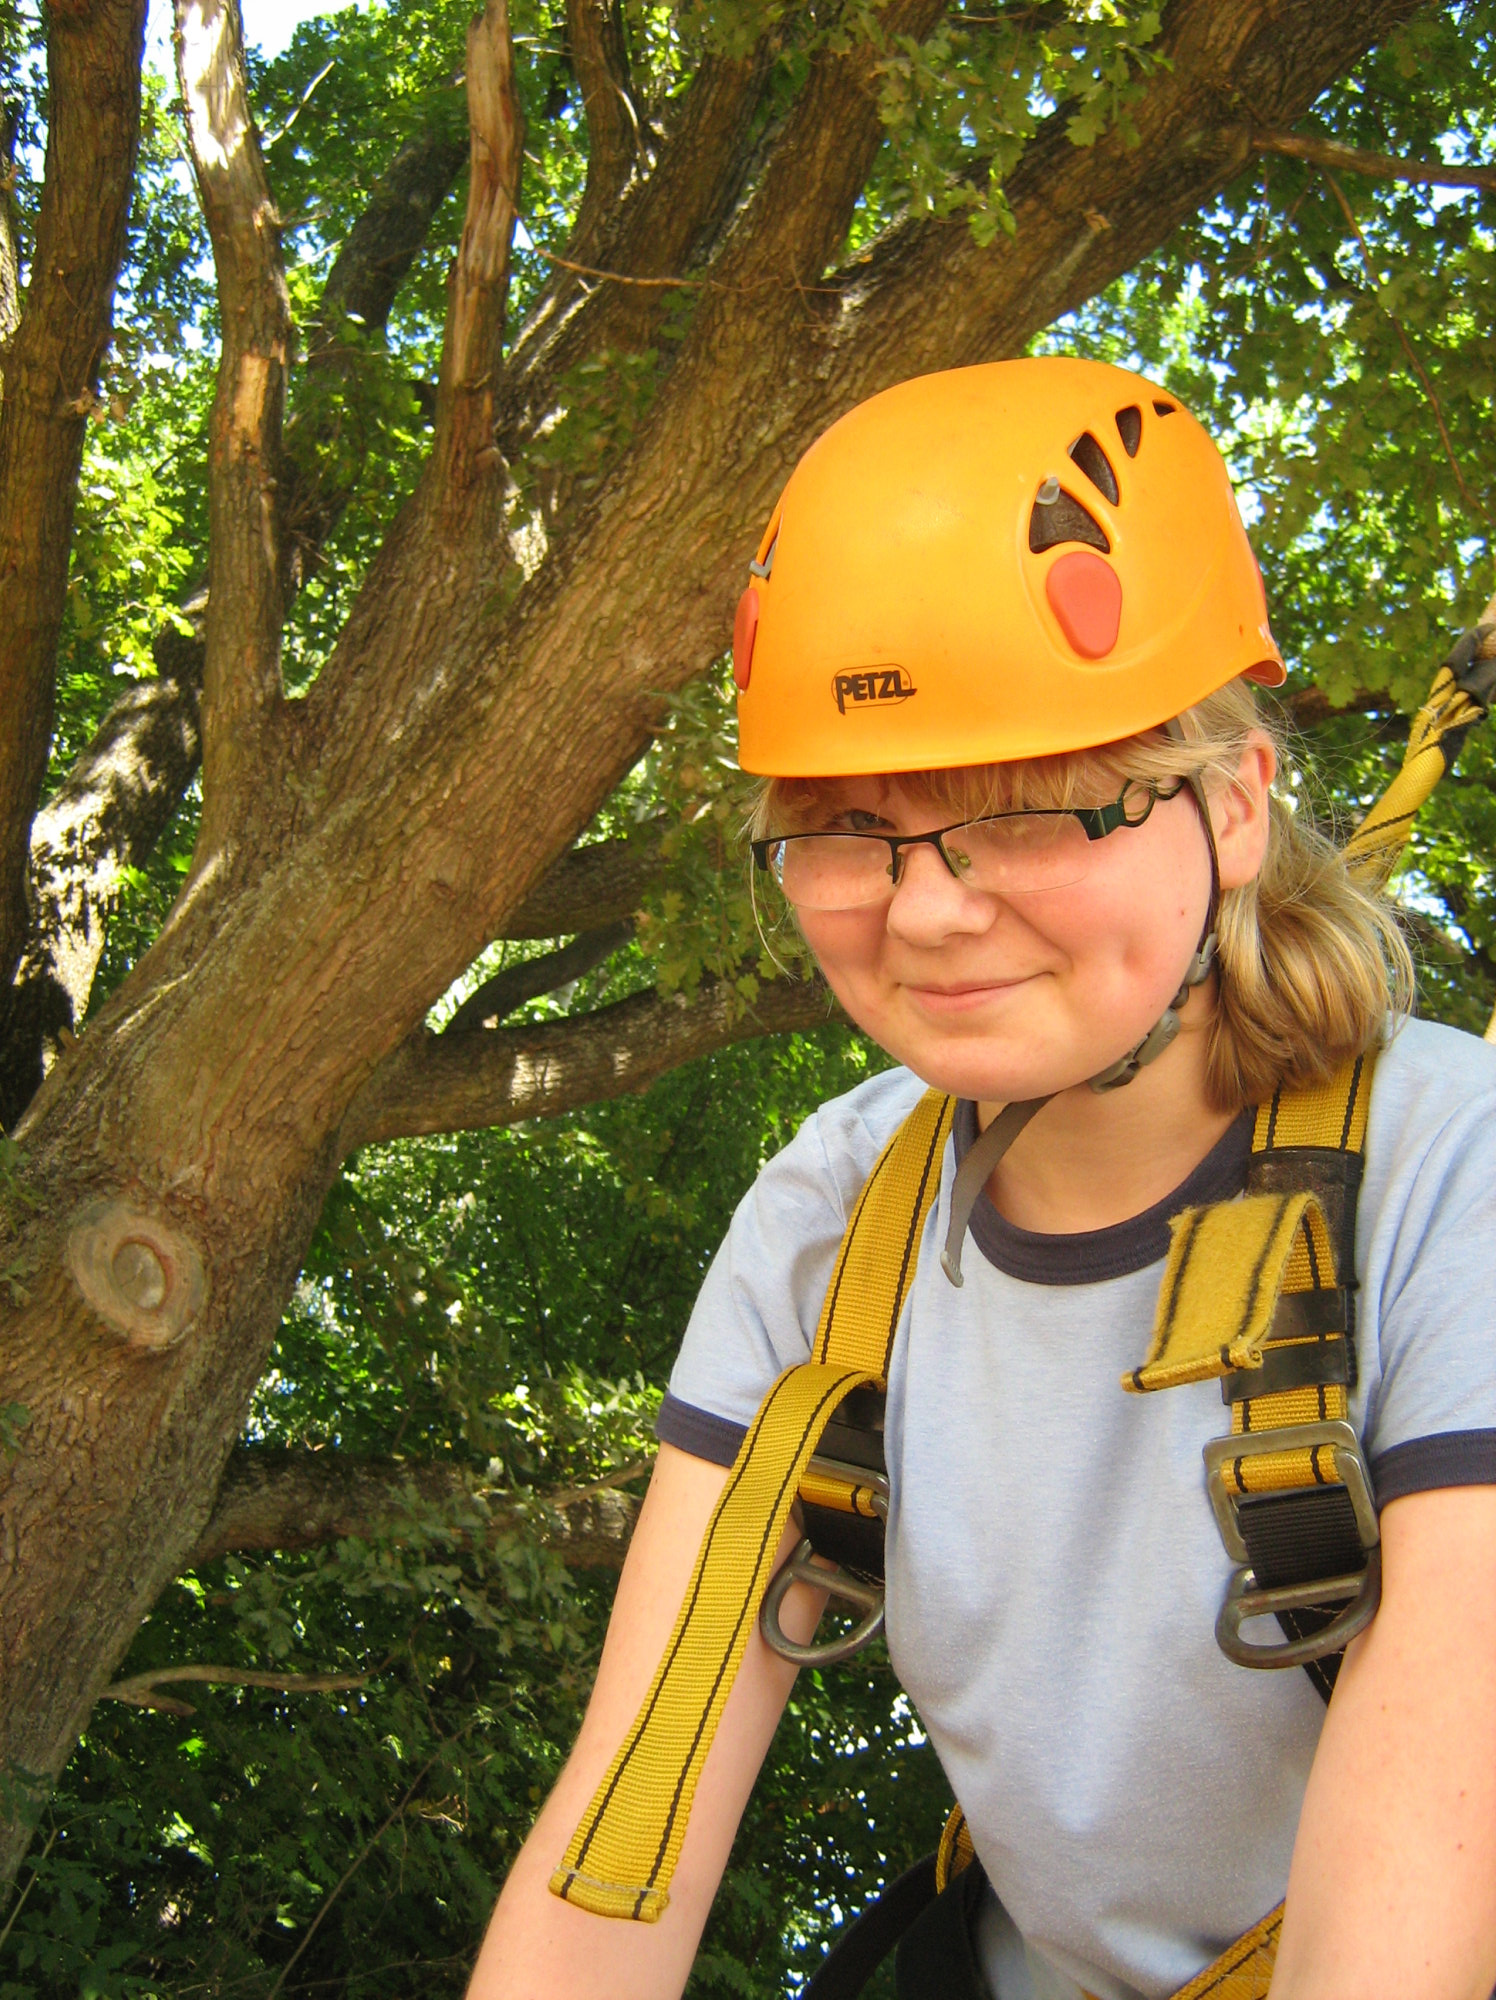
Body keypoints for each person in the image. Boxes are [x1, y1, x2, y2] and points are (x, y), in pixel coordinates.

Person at [468, 360, 1496, 2000]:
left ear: (1235, 807)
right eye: (844, 826)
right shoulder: (833, 1228)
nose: (928, 911)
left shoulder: (1451, 1177)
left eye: (1026, 807)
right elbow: (621, 1838)